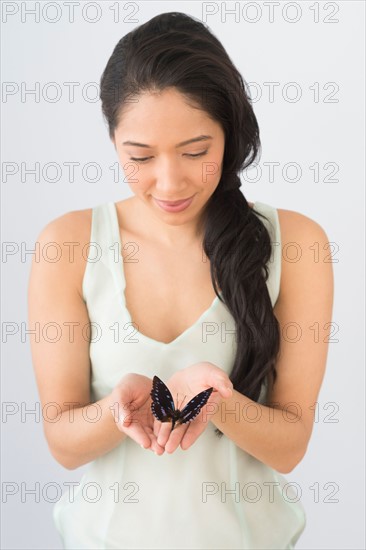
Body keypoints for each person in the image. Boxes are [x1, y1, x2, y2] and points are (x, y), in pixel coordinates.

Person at [28, 11, 334, 550]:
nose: (169, 182)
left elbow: (290, 446)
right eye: (140, 157)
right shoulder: (67, 244)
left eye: (196, 152)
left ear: (230, 135)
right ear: (113, 141)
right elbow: (64, 445)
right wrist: (118, 407)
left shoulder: (299, 243)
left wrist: (221, 402)